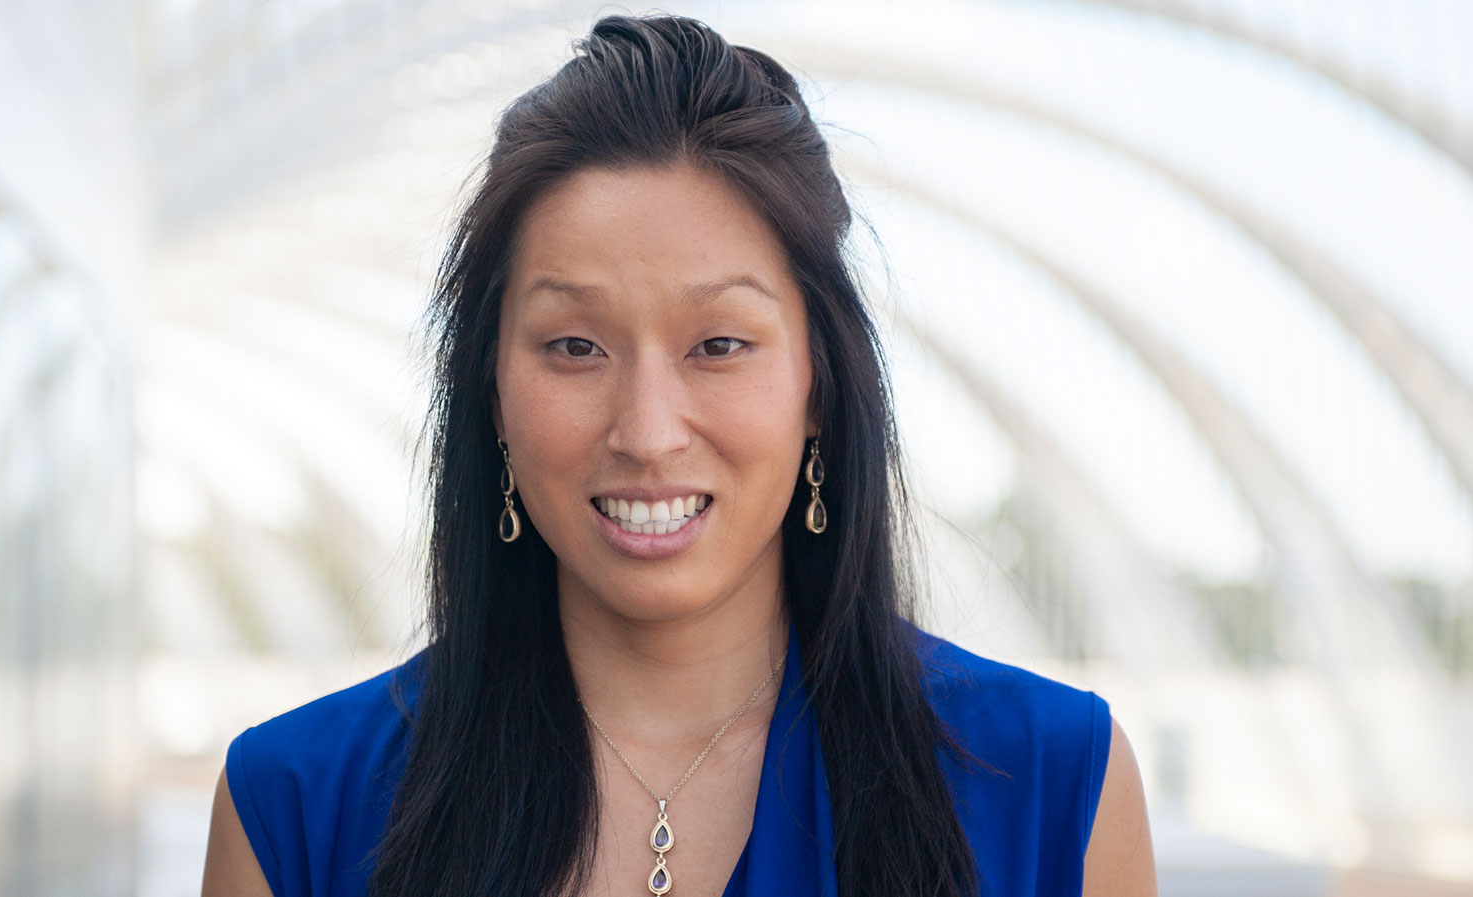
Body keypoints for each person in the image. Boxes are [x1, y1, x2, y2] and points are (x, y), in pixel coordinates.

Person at [201, 13, 1156, 897]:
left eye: (718, 345)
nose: (648, 432)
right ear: (491, 390)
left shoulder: (1052, 786)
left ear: (819, 385)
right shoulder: (294, 809)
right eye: (575, 346)